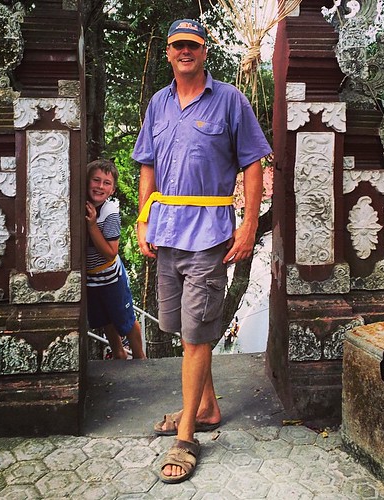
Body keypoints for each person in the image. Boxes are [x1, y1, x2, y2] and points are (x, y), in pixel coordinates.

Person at [133, 19, 271, 483]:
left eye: (192, 45)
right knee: (180, 327)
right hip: (166, 231)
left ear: (205, 51)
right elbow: (147, 165)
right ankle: (207, 407)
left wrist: (249, 224)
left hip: (210, 235)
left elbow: (253, 164)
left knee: (194, 335)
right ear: (170, 53)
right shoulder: (158, 103)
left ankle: (187, 433)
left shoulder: (230, 99)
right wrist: (142, 217)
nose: (184, 51)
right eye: (177, 46)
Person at [86, 158, 146, 360]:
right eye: (96, 180)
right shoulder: (82, 205)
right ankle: (118, 353)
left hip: (110, 275)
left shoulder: (110, 212)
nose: (100, 186)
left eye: (106, 183)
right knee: (105, 319)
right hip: (91, 278)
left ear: (112, 190)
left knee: (125, 319)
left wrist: (93, 225)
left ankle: (140, 358)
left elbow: (111, 252)